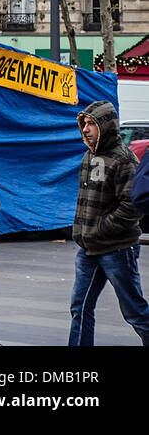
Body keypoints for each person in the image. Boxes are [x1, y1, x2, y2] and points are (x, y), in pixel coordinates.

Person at [69, 100, 149, 345]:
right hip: (89, 248)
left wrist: (99, 229)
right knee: (80, 308)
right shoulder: (87, 156)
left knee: (134, 312)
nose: (86, 129)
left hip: (117, 248)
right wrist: (85, 232)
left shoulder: (124, 160)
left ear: (106, 126)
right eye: (84, 123)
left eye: (92, 124)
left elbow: (132, 206)